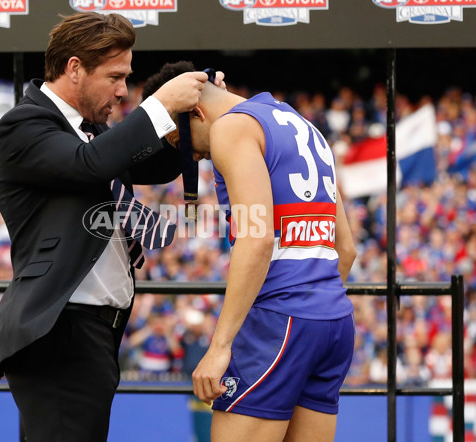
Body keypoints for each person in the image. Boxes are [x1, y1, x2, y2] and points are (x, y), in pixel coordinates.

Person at [0, 13, 224, 442]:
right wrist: (160, 104)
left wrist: (198, 120)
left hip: (89, 329)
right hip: (60, 328)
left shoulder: (91, 130)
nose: (122, 90)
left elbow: (149, 161)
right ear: (74, 68)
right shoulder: (23, 125)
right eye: (115, 76)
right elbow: (91, 164)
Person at [142, 61, 357, 441]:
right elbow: (347, 249)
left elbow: (256, 239)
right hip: (334, 320)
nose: (191, 158)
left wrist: (219, 346)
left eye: (181, 142)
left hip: (279, 319)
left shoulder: (231, 127)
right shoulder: (301, 123)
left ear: (196, 111)